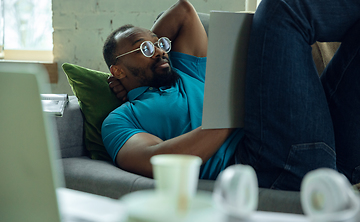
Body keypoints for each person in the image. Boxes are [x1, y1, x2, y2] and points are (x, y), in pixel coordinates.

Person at [102, 0, 360, 191]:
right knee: (280, 8)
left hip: (337, 150)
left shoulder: (186, 70)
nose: (159, 50)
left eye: (160, 43)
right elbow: (156, 161)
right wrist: (229, 114)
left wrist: (148, 45)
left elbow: (183, 10)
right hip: (265, 165)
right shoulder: (122, 118)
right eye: (144, 48)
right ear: (117, 70)